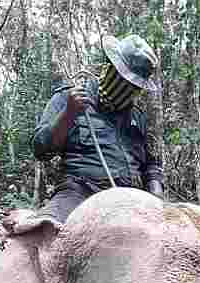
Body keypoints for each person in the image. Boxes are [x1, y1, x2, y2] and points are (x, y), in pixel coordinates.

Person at [32, 34, 164, 227]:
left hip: (130, 199)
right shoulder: (68, 98)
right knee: (43, 229)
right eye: (123, 80)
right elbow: (41, 149)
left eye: (134, 86)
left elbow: (151, 166)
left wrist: (156, 197)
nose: (128, 89)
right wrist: (68, 114)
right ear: (110, 67)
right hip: (78, 193)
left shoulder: (138, 117)